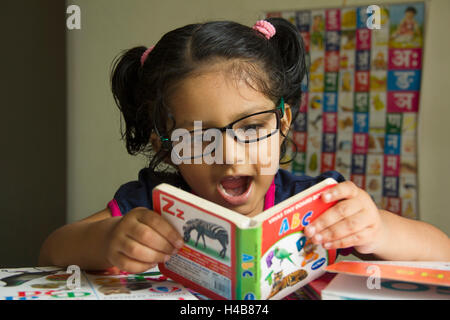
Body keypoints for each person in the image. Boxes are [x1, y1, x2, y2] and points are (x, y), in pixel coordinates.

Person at [39, 18, 450, 274]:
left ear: (283, 122)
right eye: (200, 137)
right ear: (166, 147)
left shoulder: (319, 203)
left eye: (252, 128)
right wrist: (108, 239)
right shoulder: (148, 204)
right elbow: (52, 250)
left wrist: (377, 229)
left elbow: (442, 252)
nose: (230, 155)